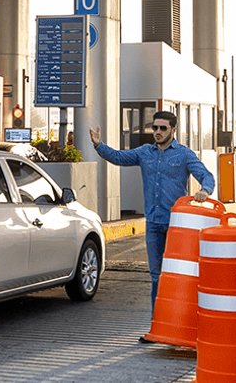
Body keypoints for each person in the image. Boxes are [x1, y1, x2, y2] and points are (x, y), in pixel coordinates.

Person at [90, 111, 215, 343]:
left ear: (173, 130)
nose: (158, 132)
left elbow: (207, 176)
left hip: (179, 227)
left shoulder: (185, 154)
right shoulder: (144, 153)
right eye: (155, 128)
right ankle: (158, 328)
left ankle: (188, 327)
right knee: (157, 276)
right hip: (154, 224)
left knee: (183, 276)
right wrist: (99, 146)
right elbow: (119, 158)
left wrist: (204, 191)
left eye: (163, 128)